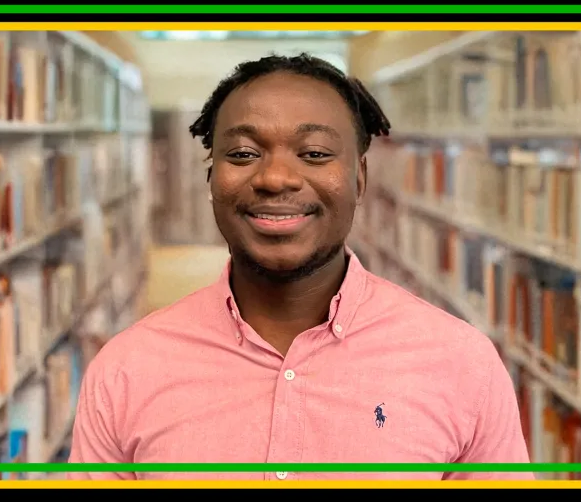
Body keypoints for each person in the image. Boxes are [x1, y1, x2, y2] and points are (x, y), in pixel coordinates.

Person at [67, 53, 533, 481]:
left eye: (314, 154)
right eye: (244, 154)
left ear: (360, 179)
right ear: (212, 178)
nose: (276, 178)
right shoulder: (125, 372)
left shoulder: (461, 364)